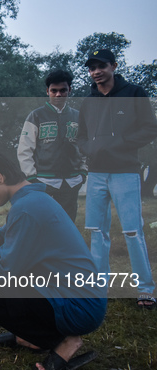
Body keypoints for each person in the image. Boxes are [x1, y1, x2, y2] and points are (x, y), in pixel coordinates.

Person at [0, 149, 107, 370]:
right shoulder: (32, 200)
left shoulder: (28, 208)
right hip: (73, 296)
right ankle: (33, 336)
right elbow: (1, 236)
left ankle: (63, 340)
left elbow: (3, 269)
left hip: (78, 306)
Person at [78, 49, 157, 309]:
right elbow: (81, 136)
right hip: (97, 174)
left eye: (101, 66)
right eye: (91, 68)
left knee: (133, 231)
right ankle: (98, 288)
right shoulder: (88, 101)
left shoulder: (134, 93)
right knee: (97, 231)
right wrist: (88, 149)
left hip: (125, 171)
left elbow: (150, 128)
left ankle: (145, 290)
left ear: (113, 65)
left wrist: (118, 144)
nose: (96, 71)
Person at [17, 70, 86, 221]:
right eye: (54, 91)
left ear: (70, 90)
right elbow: (24, 150)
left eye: (63, 90)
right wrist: (32, 177)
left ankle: (67, 245)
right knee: (43, 220)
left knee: (68, 223)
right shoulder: (36, 116)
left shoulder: (78, 116)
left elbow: (85, 148)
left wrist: (83, 174)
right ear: (47, 91)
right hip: (44, 180)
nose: (58, 95)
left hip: (72, 181)